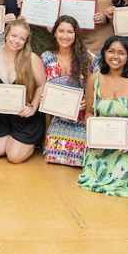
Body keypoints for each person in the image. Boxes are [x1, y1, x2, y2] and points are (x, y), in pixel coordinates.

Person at [76, 36, 128, 199]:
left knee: (124, 179)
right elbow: (89, 113)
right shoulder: (94, 78)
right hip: (102, 141)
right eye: (111, 51)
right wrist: (93, 134)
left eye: (121, 53)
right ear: (104, 53)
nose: (115, 57)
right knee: (95, 178)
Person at [0, 18, 47, 163]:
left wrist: (33, 107)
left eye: (22, 38)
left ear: (26, 41)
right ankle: (11, 139)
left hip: (24, 116)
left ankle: (29, 142)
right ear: (6, 35)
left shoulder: (31, 58)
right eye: (14, 35)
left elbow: (42, 85)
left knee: (14, 157)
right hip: (1, 116)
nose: (16, 41)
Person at [42, 16, 99, 167]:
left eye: (70, 32)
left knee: (85, 157)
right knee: (54, 156)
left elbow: (101, 86)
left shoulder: (89, 57)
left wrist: (89, 101)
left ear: (76, 34)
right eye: (61, 31)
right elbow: (42, 89)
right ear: (54, 33)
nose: (65, 36)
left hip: (83, 117)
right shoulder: (46, 58)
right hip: (59, 117)